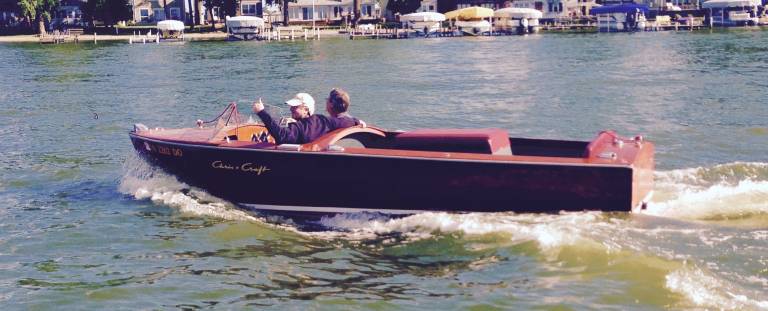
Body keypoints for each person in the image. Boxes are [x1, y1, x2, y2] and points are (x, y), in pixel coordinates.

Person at [252, 89, 364, 144]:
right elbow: (344, 121)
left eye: (295, 106)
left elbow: (281, 136)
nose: (291, 109)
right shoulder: (322, 121)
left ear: (306, 110)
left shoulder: (302, 127)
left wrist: (262, 112)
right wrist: (356, 121)